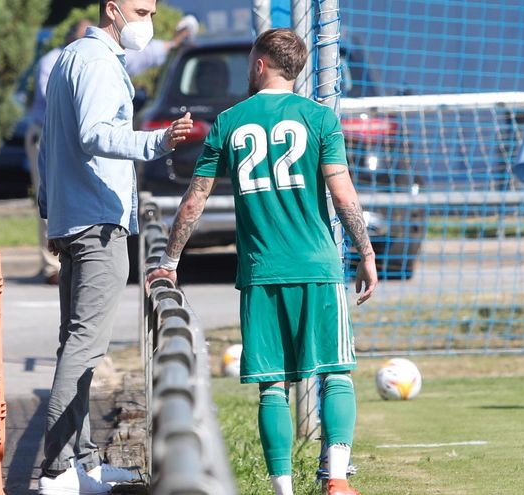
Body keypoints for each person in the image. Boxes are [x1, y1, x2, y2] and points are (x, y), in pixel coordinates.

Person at [146, 29, 379, 495]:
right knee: (335, 373)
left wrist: (170, 260)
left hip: (260, 271)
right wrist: (366, 253)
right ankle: (335, 478)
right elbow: (342, 193)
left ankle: (282, 490)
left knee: (272, 386)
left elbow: (194, 200)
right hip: (318, 267)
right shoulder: (320, 118)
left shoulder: (230, 122)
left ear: (259, 64)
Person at [36, 0, 194, 493]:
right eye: (141, 11)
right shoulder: (99, 62)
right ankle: (59, 470)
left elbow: (48, 144)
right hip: (97, 221)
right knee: (85, 347)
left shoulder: (69, 57)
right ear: (113, 10)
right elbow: (93, 134)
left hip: (73, 217)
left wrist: (50, 207)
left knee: (75, 343)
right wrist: (157, 142)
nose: (148, 22)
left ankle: (82, 461)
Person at [26, 18, 94, 284]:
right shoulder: (53, 61)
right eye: (82, 36)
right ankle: (51, 265)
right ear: (70, 37)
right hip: (46, 134)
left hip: (73, 136)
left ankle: (72, 255)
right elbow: (55, 96)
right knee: (48, 193)